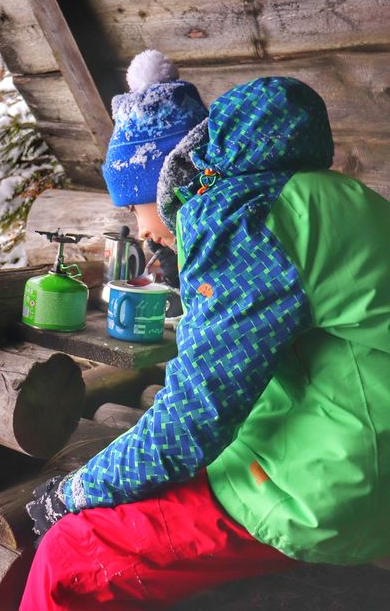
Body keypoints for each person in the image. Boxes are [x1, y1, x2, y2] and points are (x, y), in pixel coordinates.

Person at [21, 50, 390, 610]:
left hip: (335, 482)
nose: (148, 241)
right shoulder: (312, 193)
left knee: (70, 556)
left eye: (147, 228)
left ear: (164, 185)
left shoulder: (238, 220)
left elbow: (193, 418)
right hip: (354, 432)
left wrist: (71, 494)